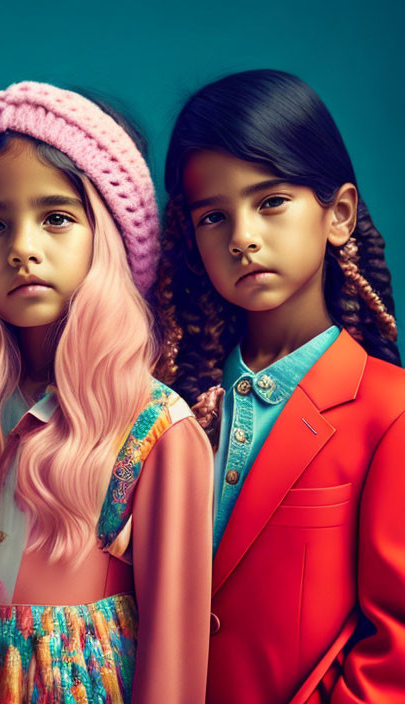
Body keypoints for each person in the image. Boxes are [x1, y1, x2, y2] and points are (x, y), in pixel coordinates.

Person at [0, 81, 214, 704]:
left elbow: (177, 661)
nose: (23, 249)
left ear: (105, 236)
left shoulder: (154, 429)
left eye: (55, 218)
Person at [155, 68, 405, 704]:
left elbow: (395, 648)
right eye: (214, 215)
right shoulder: (166, 407)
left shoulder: (389, 412)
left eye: (270, 202)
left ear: (338, 214)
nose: (242, 237)